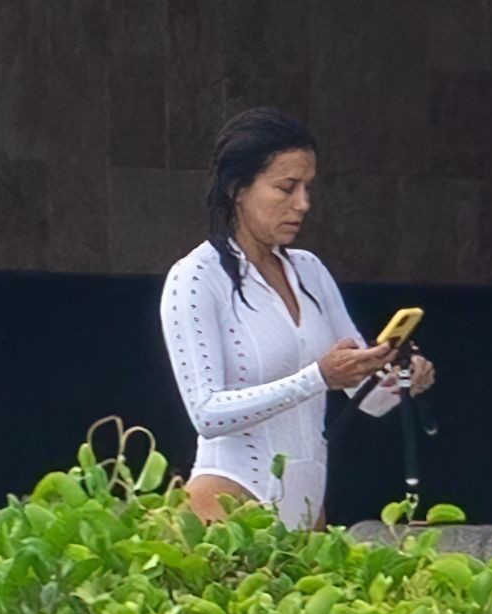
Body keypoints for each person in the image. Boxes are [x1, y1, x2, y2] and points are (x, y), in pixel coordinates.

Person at [159, 107, 435, 530]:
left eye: (307, 188)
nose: (302, 204)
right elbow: (207, 414)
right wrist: (318, 377)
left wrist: (399, 378)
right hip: (228, 496)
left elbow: (368, 399)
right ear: (237, 188)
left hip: (307, 505)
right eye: (286, 187)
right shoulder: (196, 276)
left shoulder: (310, 270)